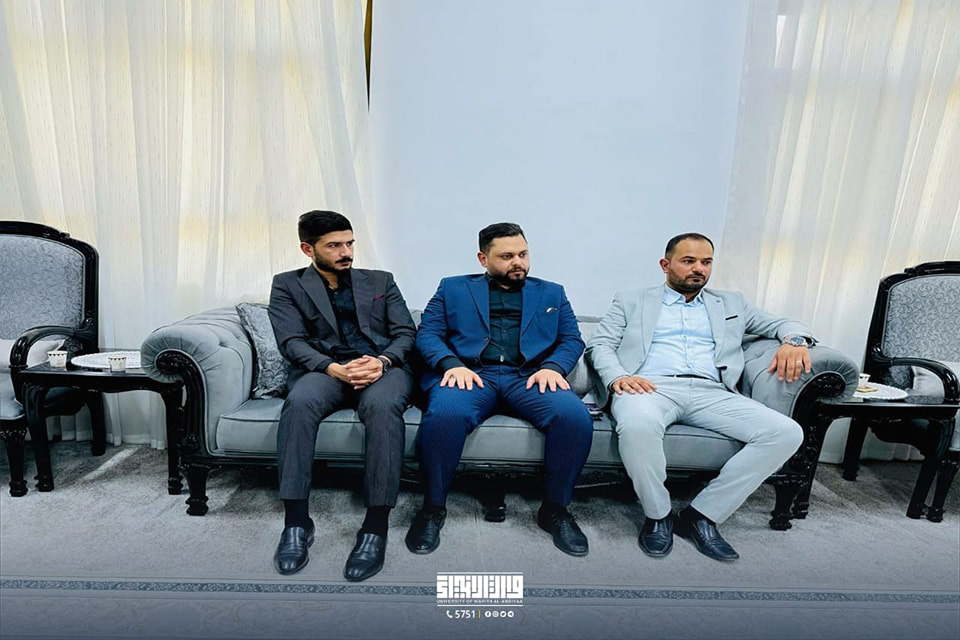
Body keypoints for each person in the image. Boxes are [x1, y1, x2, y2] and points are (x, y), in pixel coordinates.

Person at [586, 233, 809, 561]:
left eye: (706, 262)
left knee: (786, 432)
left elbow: (784, 323)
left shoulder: (732, 303)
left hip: (712, 392)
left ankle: (701, 515)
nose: (699, 269)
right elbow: (600, 344)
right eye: (688, 261)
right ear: (665, 265)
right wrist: (619, 377)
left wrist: (795, 341)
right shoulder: (631, 300)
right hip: (649, 387)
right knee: (637, 425)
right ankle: (658, 515)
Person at [406, 223, 595, 557]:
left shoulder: (552, 292)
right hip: (471, 373)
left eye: (523, 254)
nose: (518, 262)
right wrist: (451, 364)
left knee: (574, 416)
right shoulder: (452, 288)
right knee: (446, 414)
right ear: (483, 259)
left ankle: (555, 510)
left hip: (529, 376)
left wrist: (552, 368)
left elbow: (571, 339)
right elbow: (428, 333)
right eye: (507, 256)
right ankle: (433, 508)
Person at [268, 210, 416, 581]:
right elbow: (291, 341)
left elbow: (405, 333)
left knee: (383, 407)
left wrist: (382, 361)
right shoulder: (287, 285)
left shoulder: (381, 280)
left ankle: (375, 527)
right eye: (334, 245)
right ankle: (296, 522)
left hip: (381, 368)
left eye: (349, 243)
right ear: (308, 249)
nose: (346, 252)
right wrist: (331, 367)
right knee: (299, 403)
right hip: (326, 370)